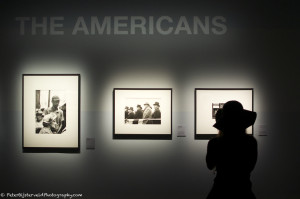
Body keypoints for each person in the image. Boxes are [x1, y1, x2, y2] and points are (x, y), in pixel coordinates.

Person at [206, 100, 257, 199]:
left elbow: (210, 165)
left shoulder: (215, 142)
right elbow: (250, 167)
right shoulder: (251, 141)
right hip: (243, 189)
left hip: (220, 190)